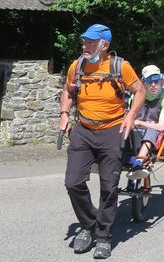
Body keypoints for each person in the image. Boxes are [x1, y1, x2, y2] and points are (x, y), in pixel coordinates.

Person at [59, 24, 145, 259]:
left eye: (89, 41)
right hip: (83, 130)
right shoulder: (77, 66)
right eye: (84, 41)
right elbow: (67, 92)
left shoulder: (121, 67)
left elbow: (140, 91)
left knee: (109, 186)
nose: (84, 45)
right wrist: (65, 114)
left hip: (112, 131)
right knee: (72, 183)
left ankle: (103, 237)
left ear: (104, 45)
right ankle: (89, 225)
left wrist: (130, 116)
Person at [125, 65, 164, 180]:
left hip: (157, 132)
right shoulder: (135, 96)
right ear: (144, 83)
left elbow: (161, 126)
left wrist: (140, 122)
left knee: (152, 130)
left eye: (156, 81)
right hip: (136, 130)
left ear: (161, 81)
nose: (153, 85)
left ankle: (139, 159)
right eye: (149, 82)